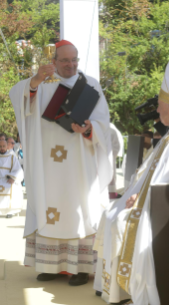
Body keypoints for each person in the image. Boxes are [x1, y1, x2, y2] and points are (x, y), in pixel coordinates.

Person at [93, 60, 169, 305]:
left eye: (159, 108)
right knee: (111, 212)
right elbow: (153, 171)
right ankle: (113, 288)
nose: (157, 113)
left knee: (120, 219)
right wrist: (137, 192)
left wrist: (140, 197)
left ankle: (124, 289)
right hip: (153, 200)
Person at [9, 39, 113, 285]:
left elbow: (103, 124)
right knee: (49, 207)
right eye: (65, 60)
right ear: (54, 61)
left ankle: (79, 268)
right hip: (48, 165)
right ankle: (50, 265)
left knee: (79, 209)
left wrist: (89, 128)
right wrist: (34, 82)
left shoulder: (90, 85)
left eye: (74, 59)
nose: (71, 64)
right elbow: (21, 98)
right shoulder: (42, 83)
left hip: (79, 162)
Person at [0, 139, 23, 217]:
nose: (2, 148)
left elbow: (18, 170)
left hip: (8, 179)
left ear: (7, 146)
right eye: (0, 146)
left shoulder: (12, 157)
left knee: (12, 186)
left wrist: (13, 178)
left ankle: (10, 211)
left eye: (3, 146)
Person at [109, 123, 124, 199]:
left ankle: (111, 194)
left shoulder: (111, 128)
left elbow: (117, 146)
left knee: (110, 176)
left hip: (108, 159)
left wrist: (108, 153)